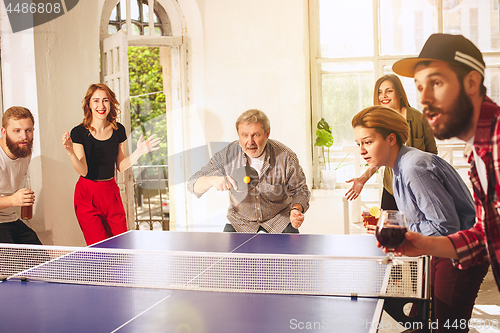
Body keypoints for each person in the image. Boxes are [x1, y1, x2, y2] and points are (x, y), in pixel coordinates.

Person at [352, 105, 489, 332]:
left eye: (368, 142)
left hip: (460, 253)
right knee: (422, 319)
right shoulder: (398, 167)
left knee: (448, 327)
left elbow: (445, 226)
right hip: (441, 250)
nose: (362, 150)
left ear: (391, 139)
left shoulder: (414, 167)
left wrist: (399, 232)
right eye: (359, 144)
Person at [62, 83, 161, 245]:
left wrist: (139, 152)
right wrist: (70, 152)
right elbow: (84, 170)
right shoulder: (79, 133)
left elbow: (121, 166)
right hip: (87, 195)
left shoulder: (118, 130)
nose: (101, 105)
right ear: (88, 104)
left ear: (111, 103)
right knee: (100, 248)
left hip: (111, 193)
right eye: (96, 101)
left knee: (121, 245)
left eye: (105, 100)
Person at [187, 109, 310, 233]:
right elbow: (192, 184)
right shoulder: (227, 156)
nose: (250, 142)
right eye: (244, 135)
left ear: (267, 134)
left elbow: (301, 190)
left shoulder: (286, 156)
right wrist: (212, 180)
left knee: (293, 250)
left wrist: (296, 209)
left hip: (278, 220)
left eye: (255, 135)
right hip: (240, 222)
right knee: (226, 252)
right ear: (239, 135)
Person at [345, 74, 437, 210]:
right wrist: (362, 179)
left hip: (417, 187)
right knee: (388, 227)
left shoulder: (419, 118)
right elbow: (380, 157)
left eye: (389, 91)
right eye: (380, 92)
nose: (384, 96)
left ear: (399, 93)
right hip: (392, 187)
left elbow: (432, 154)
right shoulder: (380, 123)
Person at [0, 106, 42, 244]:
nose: (24, 136)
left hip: (11, 218)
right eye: (17, 131)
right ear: (4, 132)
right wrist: (12, 200)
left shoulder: (24, 151)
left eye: (28, 130)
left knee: (43, 261)